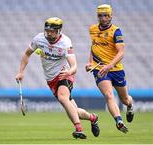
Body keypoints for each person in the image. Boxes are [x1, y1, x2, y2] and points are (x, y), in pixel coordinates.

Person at [16, 17, 100, 139]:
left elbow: (74, 66)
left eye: (52, 31)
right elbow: (26, 54)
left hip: (64, 75)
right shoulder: (39, 39)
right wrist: (21, 72)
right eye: (47, 30)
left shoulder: (65, 43)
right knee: (74, 111)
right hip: (50, 80)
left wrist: (68, 72)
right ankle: (93, 118)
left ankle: (78, 128)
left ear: (59, 31)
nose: (49, 33)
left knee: (62, 97)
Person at [85, 4, 134, 134]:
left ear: (110, 16)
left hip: (116, 69)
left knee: (125, 99)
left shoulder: (116, 31)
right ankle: (118, 120)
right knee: (109, 95)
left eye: (106, 15)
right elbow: (93, 46)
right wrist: (90, 62)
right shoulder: (92, 29)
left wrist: (110, 65)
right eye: (100, 15)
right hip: (100, 69)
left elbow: (121, 52)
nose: (103, 18)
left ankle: (130, 106)